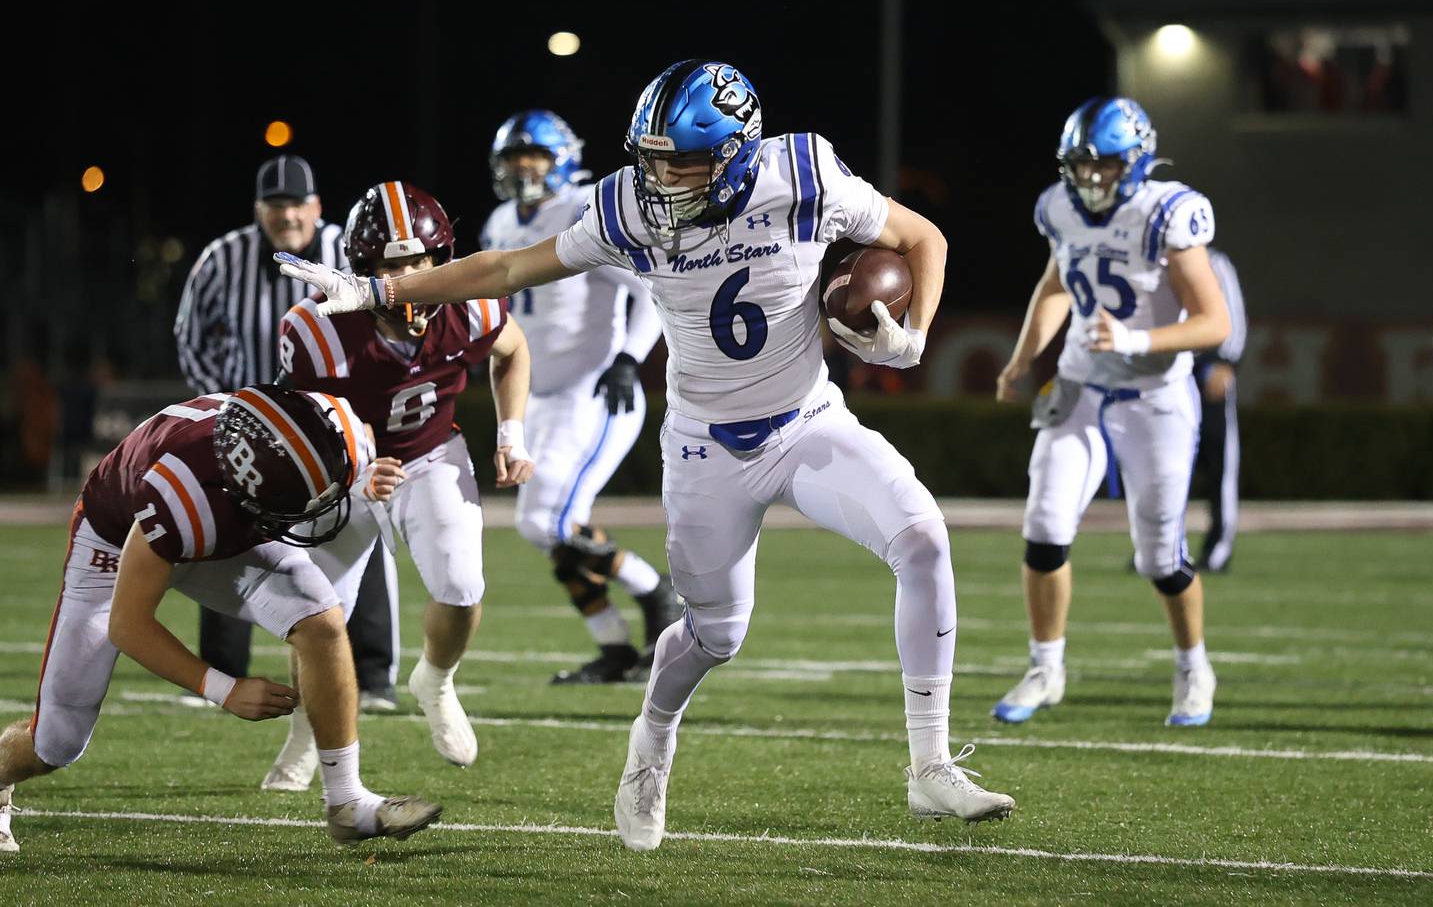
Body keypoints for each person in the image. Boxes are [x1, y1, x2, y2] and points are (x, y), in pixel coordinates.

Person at [277, 59, 1017, 851]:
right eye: (652, 157)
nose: (662, 177)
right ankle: (651, 742)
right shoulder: (632, 205)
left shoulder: (803, 173)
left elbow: (921, 237)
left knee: (923, 540)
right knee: (715, 636)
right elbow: (508, 266)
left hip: (807, 422)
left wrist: (913, 338)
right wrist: (386, 293)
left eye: (683, 160)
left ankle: (931, 763)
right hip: (706, 449)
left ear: (738, 151)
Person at [0, 386, 440, 851]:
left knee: (322, 619)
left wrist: (362, 478)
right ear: (252, 497)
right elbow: (128, 624)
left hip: (220, 512)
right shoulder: (183, 496)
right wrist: (224, 689)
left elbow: (356, 440)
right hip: (116, 541)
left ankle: (348, 803)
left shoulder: (330, 425)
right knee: (58, 741)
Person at [272, 181, 533, 773]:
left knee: (463, 588)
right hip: (340, 473)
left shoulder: (471, 304)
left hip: (430, 455)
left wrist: (511, 433)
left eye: (420, 259)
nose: (411, 274)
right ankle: (304, 736)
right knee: (315, 615)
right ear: (364, 268)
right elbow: (299, 427)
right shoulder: (315, 330)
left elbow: (513, 350)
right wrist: (351, 472)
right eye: (395, 264)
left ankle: (435, 683)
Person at [993, 97, 1231, 729]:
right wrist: (1024, 359)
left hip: (1155, 397)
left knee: (1159, 555)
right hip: (1080, 387)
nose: (1090, 179)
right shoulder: (1058, 208)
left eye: (1103, 167)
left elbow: (1215, 321)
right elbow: (1055, 287)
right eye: (1081, 166)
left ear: (1137, 160)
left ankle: (1192, 668)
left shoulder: (1167, 213)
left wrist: (1133, 341)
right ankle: (1046, 666)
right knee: (1043, 526)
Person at [173, 154, 400, 711]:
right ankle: (224, 669)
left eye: (297, 204)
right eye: (276, 205)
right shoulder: (221, 258)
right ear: (259, 210)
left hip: (333, 427)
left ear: (317, 206)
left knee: (358, 531)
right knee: (229, 531)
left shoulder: (347, 253)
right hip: (244, 428)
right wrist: (227, 409)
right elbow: (190, 334)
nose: (287, 215)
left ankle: (371, 675)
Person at [481, 109, 680, 684]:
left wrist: (627, 359)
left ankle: (654, 592)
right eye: (515, 157)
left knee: (547, 521)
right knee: (545, 527)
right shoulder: (498, 222)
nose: (524, 167)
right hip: (532, 397)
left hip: (591, 392)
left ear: (561, 158)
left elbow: (649, 288)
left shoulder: (583, 208)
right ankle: (614, 646)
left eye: (535, 156)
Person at [1192, 249, 1246, 572]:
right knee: (1163, 464)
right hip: (1167, 373)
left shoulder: (1214, 262)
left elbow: (1234, 314)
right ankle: (1161, 547)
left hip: (1206, 372)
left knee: (1219, 461)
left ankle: (1218, 548)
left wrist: (1225, 361)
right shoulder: (1150, 258)